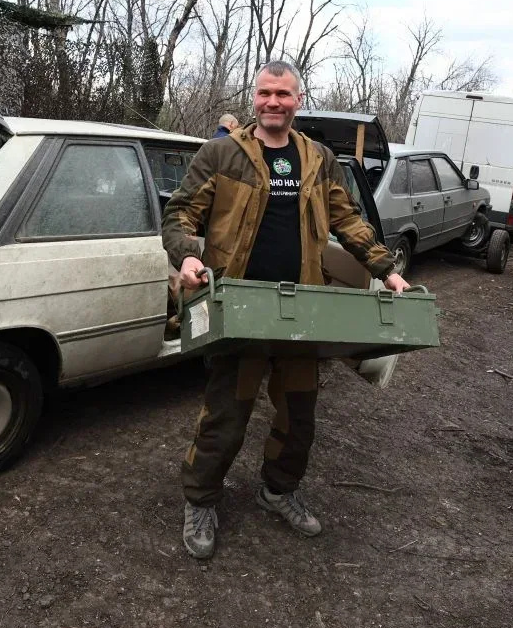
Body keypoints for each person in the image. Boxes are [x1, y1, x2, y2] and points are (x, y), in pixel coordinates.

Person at [163, 60, 409, 559]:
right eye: (265, 93)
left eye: (283, 94)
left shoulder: (318, 158)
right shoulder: (222, 153)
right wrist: (187, 255)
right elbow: (181, 213)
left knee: (299, 417)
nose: (273, 102)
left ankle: (278, 490)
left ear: (298, 99)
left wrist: (386, 269)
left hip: (301, 311)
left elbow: (347, 218)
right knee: (225, 416)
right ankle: (201, 499)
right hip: (240, 308)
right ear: (254, 98)